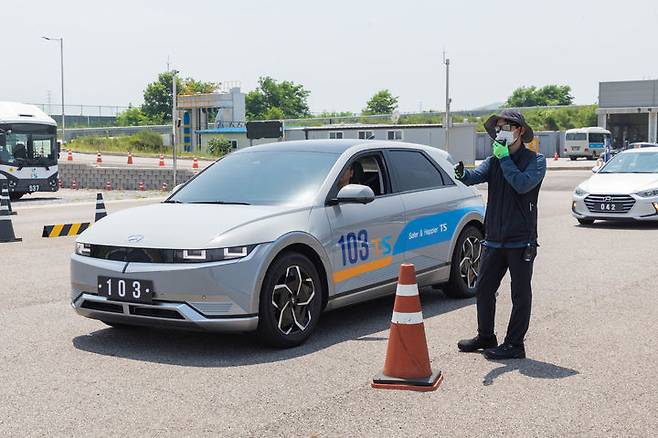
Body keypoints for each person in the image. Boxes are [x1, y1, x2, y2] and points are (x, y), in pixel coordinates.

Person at [453, 109, 546, 360]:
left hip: (521, 240)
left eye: (507, 127)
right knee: (483, 289)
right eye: (499, 128)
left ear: (520, 131)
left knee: (520, 293)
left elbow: (522, 184)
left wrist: (504, 158)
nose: (501, 132)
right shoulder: (494, 159)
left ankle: (515, 344)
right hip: (493, 237)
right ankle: (486, 336)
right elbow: (475, 176)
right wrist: (462, 174)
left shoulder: (536, 161)